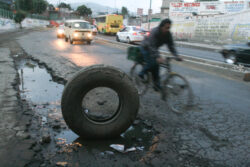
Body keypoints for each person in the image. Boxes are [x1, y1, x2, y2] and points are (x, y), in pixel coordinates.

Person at [139, 18, 182, 91]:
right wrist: (157, 57)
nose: (167, 29)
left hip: (153, 49)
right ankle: (141, 73)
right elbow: (151, 45)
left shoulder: (168, 34)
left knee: (157, 66)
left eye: (169, 28)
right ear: (161, 26)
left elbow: (171, 46)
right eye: (166, 27)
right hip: (145, 47)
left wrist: (176, 55)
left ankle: (156, 85)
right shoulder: (155, 31)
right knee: (152, 63)